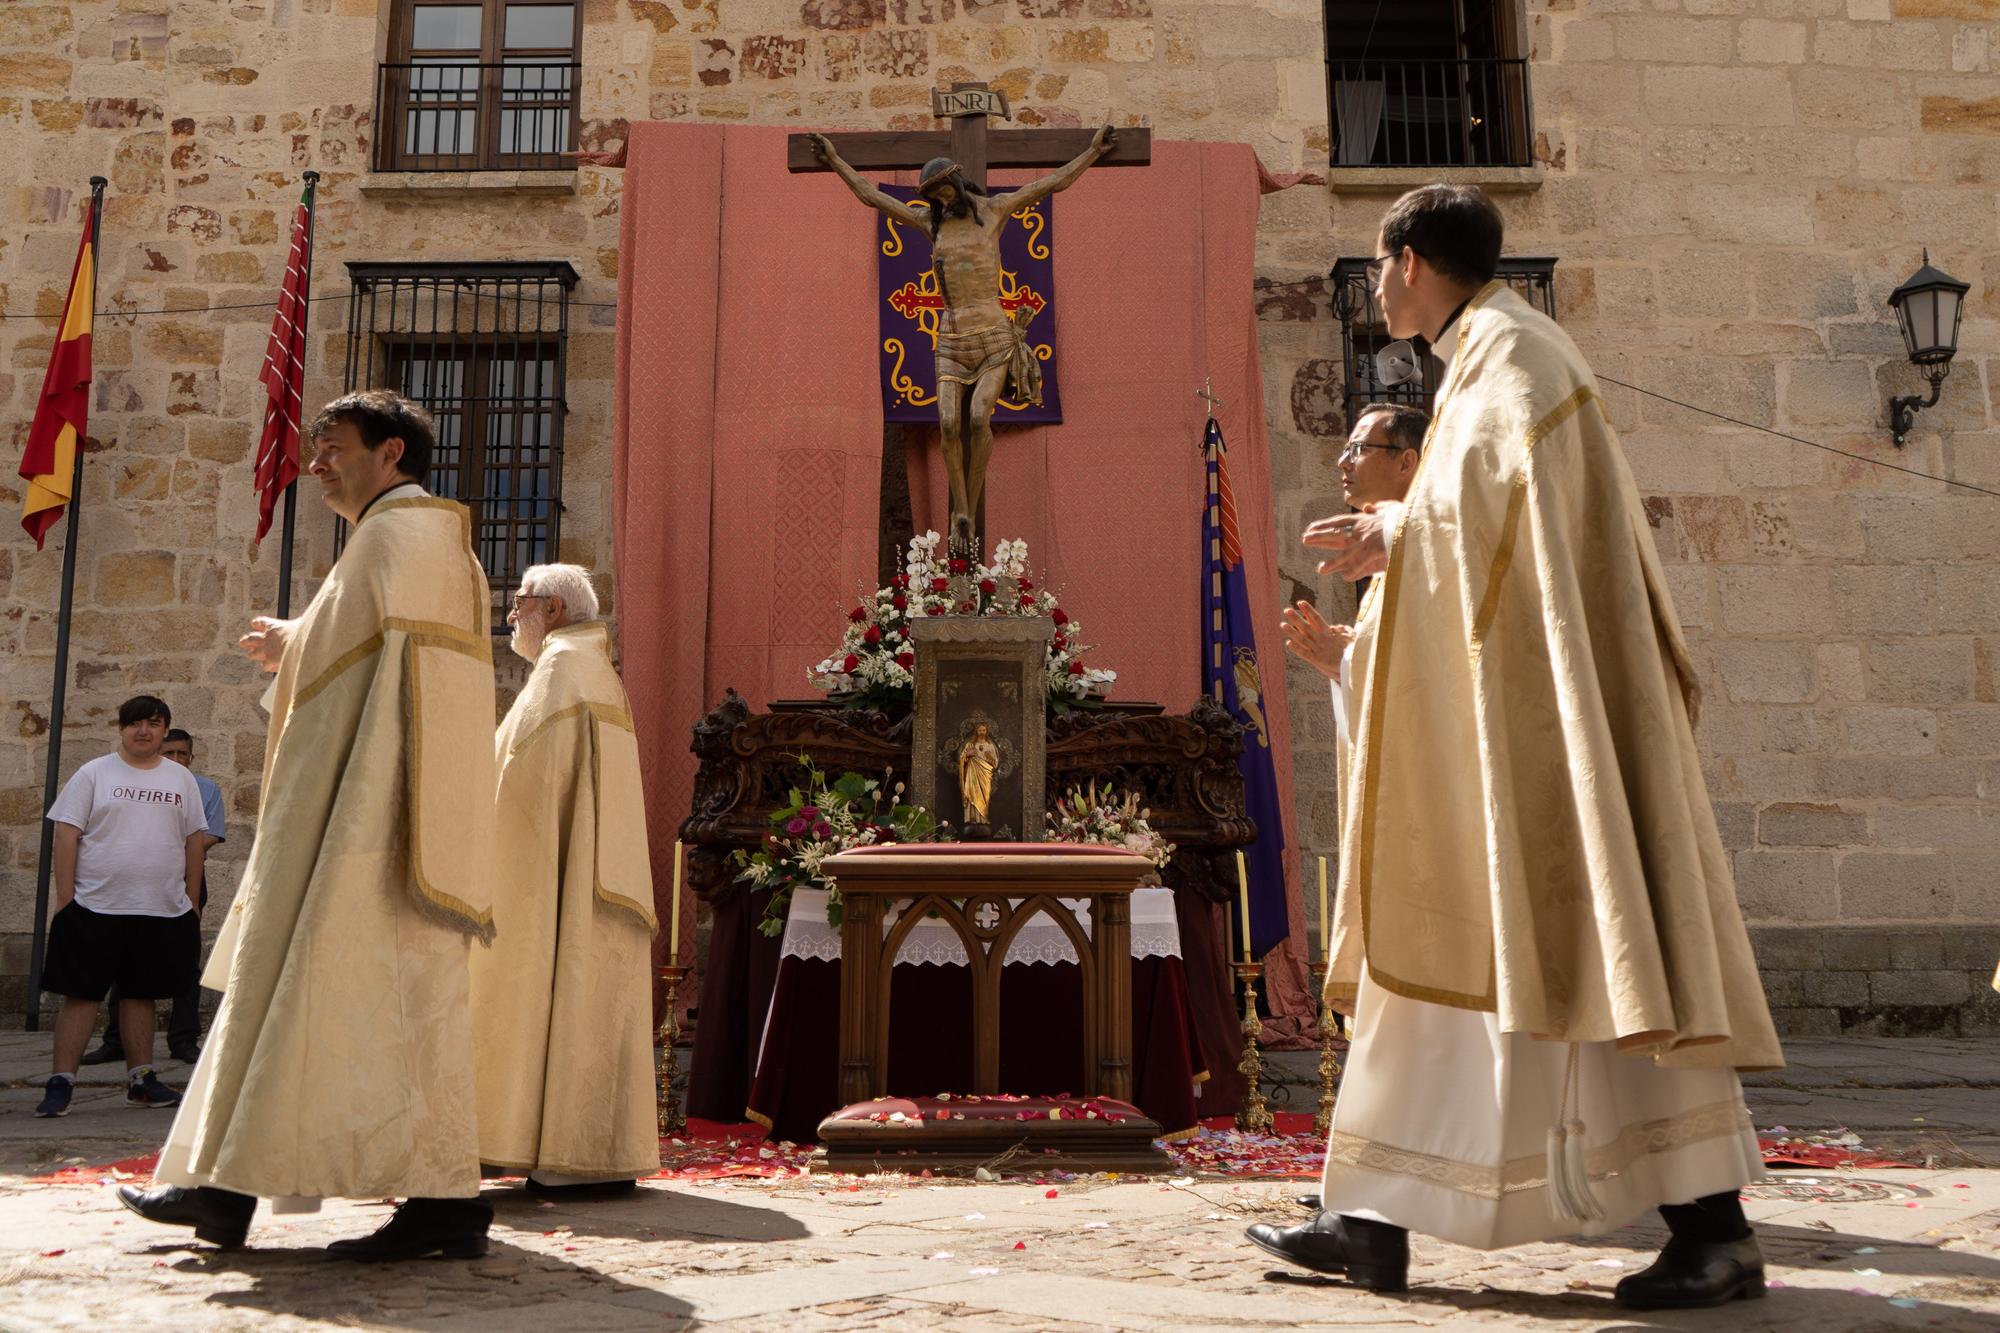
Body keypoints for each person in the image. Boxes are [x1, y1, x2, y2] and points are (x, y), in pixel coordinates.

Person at [1247, 185, 1782, 1311]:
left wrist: (1396, 529)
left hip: (1534, 730)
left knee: (1577, 962)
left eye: (1381, 261)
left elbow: (1490, 516)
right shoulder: (1491, 352)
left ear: (1407, 260)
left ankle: (1708, 1227)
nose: (1380, 280)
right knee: (1484, 967)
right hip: (1501, 715)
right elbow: (1484, 516)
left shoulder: (1512, 354)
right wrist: (1397, 535)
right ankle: (1367, 1219)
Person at [120, 390, 499, 1260]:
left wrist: (299, 647)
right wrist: (301, 638)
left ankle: (428, 1201)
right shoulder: (434, 542)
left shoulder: (388, 537)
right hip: (408, 826)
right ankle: (225, 1192)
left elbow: (345, 678)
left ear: (390, 453)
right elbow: (364, 659)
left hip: (362, 827)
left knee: (318, 1000)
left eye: (331, 447)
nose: (315, 464)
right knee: (324, 1003)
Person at [811, 125, 1116, 545]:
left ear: (956, 182)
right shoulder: (929, 224)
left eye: (944, 192)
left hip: (992, 334)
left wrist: (1093, 153)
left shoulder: (996, 210)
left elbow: (1052, 182)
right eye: (933, 197)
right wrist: (834, 161)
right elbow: (872, 196)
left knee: (977, 418)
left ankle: (965, 510)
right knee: (949, 424)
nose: (940, 201)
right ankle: (961, 514)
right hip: (951, 340)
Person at [470, 563, 659, 1198]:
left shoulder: (560, 671)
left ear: (551, 609)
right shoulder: (593, 669)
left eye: (519, 603)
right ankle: (585, 1153)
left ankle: (549, 1150)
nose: (511, 616)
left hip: (551, 873)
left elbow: (518, 784)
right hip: (589, 872)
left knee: (534, 988)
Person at [34, 696, 209, 1119]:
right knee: (82, 997)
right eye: (134, 723)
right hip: (95, 906)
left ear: (165, 729)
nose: (143, 731)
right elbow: (66, 834)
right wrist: (65, 899)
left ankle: (141, 1081)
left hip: (160, 909)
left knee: (141, 996)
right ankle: (61, 1083)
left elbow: (194, 842)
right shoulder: (93, 773)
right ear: (121, 728)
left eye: (153, 723)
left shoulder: (181, 780)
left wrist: (190, 900)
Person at [83, 727, 224, 1066]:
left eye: (182, 754)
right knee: (124, 956)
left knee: (186, 959)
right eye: (170, 753)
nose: (176, 759)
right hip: (139, 881)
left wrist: (175, 849)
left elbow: (210, 835)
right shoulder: (136, 783)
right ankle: (116, 1040)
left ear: (192, 757)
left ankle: (184, 1039)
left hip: (184, 880)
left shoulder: (204, 789)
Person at [1281, 402, 1427, 698]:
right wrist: (1348, 660)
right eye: (1346, 450)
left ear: (1405, 462)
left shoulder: (1434, 545)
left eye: (1359, 449)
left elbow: (1444, 670)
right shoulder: (1401, 546)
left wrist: (1348, 661)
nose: (1343, 462)